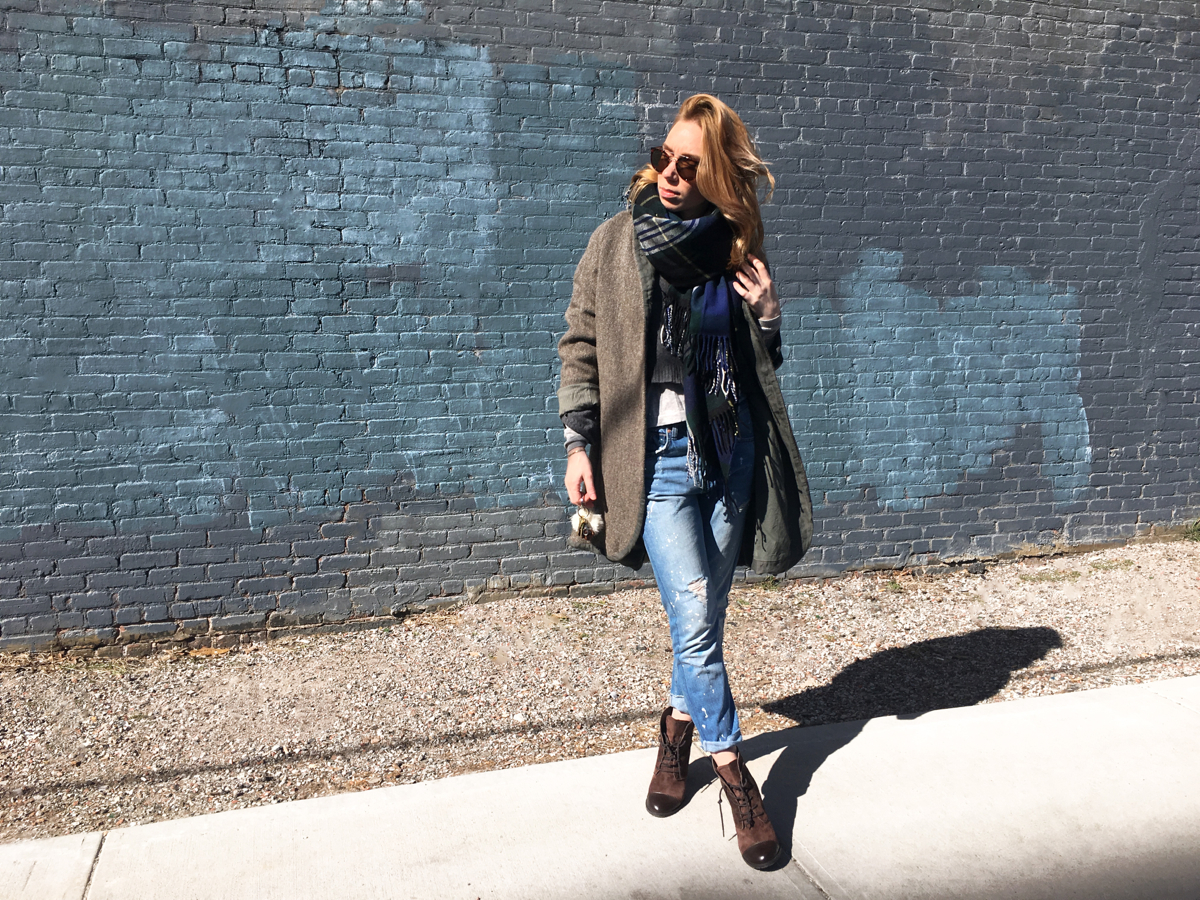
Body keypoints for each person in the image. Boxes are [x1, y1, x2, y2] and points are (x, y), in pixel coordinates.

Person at [556, 93, 813, 869]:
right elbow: (580, 344)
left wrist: (769, 315)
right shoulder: (615, 241)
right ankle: (738, 776)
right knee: (695, 616)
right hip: (656, 459)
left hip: (729, 453)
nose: (670, 174)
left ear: (719, 175)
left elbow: (757, 364)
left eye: (689, 164)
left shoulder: (735, 247)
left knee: (704, 617)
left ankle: (676, 732)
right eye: (664, 157)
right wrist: (578, 445)